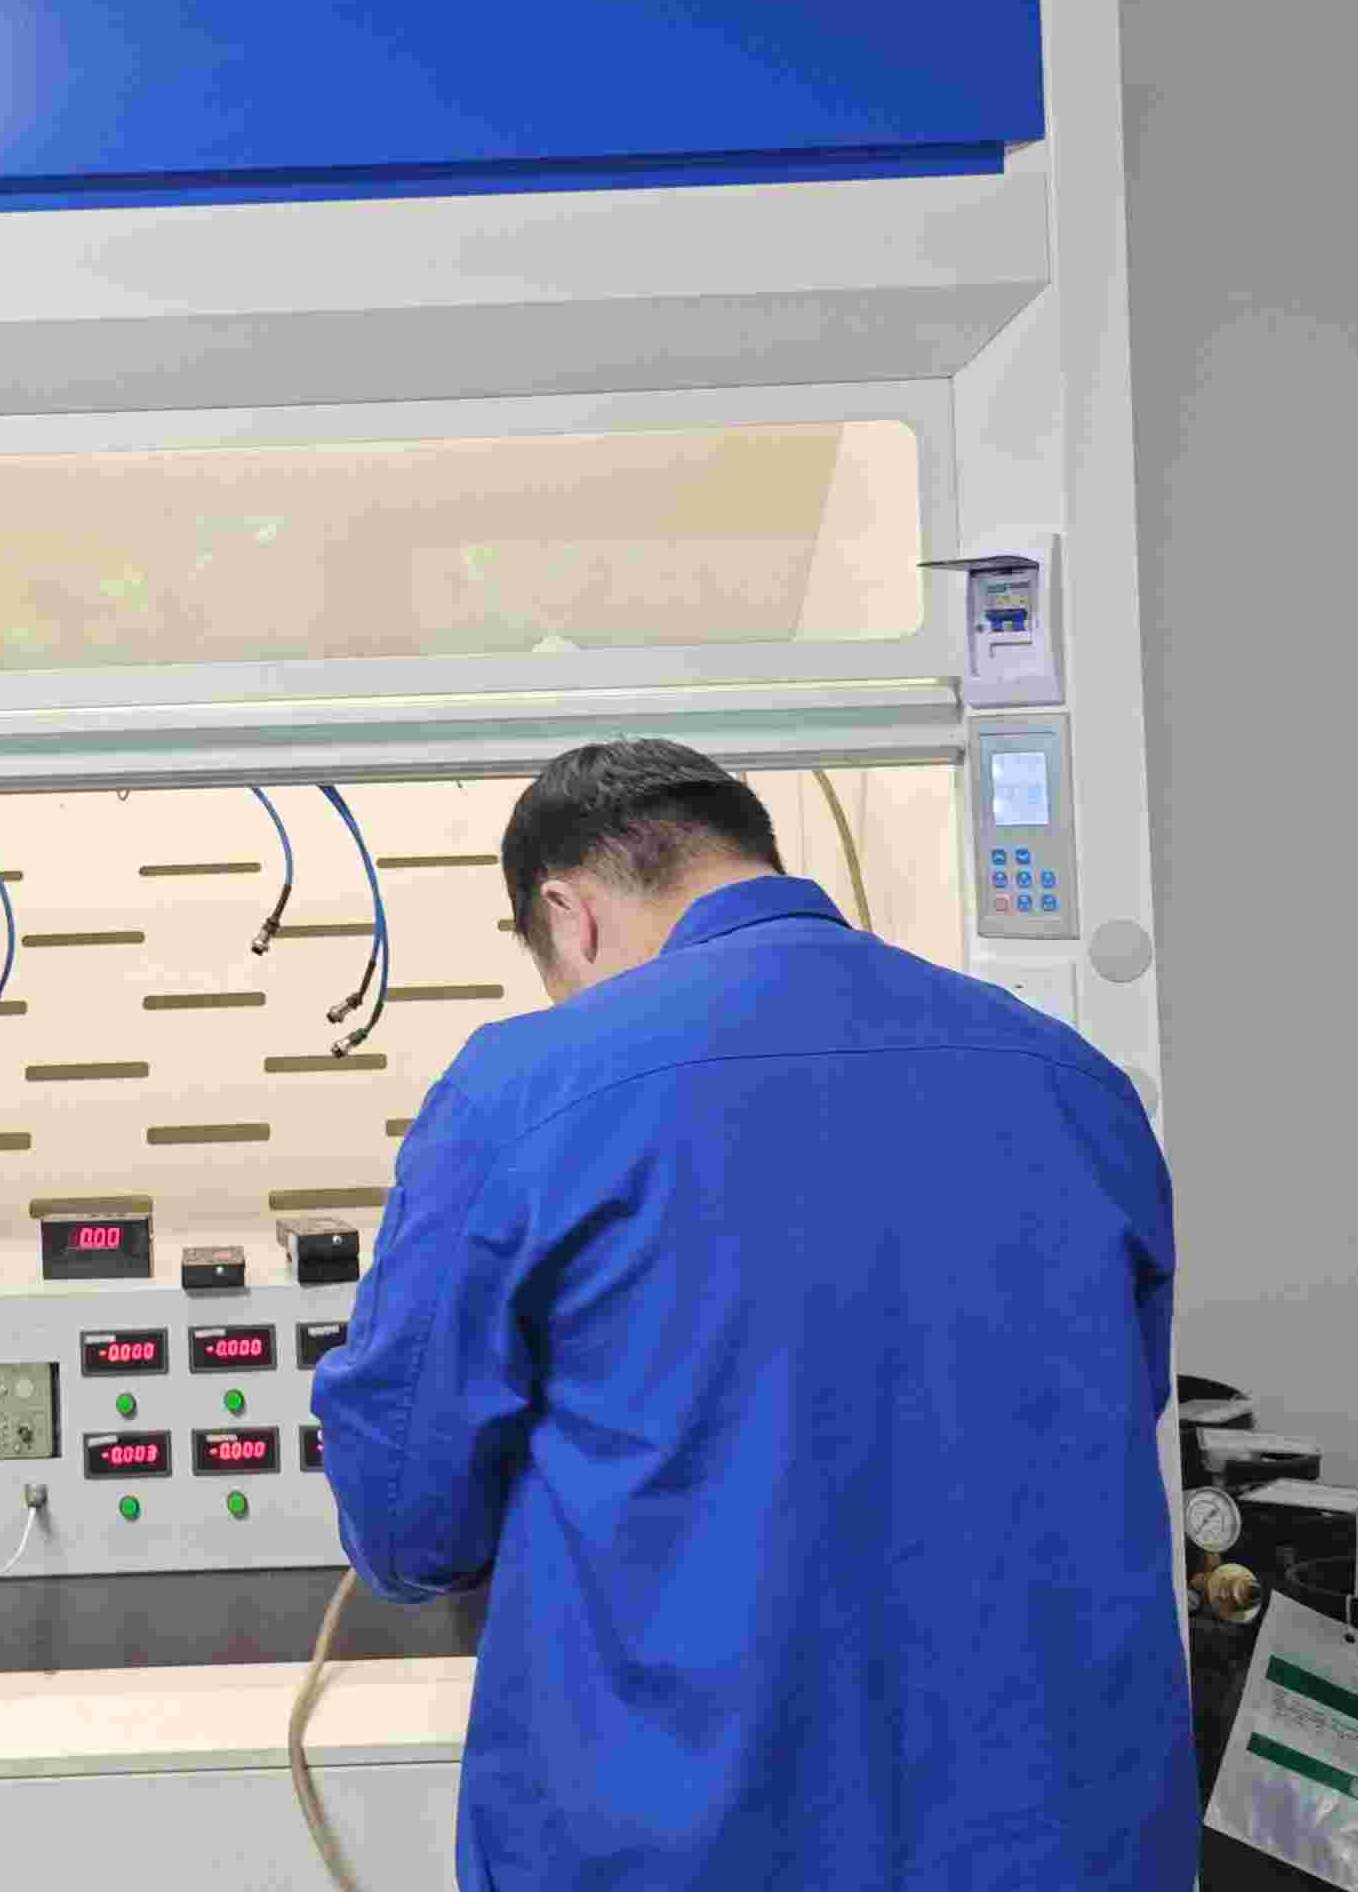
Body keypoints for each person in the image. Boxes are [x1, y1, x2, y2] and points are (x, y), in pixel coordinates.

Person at [308, 739, 1191, 1889]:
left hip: (690, 1839)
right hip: (1057, 1833)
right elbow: (1116, 1409)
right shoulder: (1072, 1080)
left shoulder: (520, 1091)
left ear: (568, 915)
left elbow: (409, 1520)